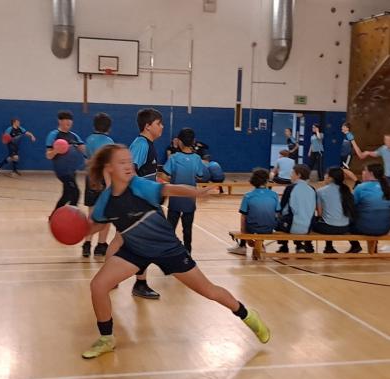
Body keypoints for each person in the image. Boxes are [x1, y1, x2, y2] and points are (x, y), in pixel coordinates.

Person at [81, 144, 270, 359]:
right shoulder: (106, 200)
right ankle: (107, 338)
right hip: (135, 251)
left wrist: (197, 192)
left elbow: (170, 188)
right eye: (121, 162)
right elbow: (97, 224)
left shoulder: (140, 186)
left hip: (168, 249)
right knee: (98, 285)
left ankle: (246, 314)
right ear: (109, 168)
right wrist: (77, 229)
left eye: (129, 161)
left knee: (209, 291)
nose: (128, 166)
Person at [126, 108, 164, 299]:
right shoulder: (141, 144)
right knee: (146, 243)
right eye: (159, 123)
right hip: (140, 203)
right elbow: (129, 172)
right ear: (148, 126)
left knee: (120, 242)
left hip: (145, 201)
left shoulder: (147, 144)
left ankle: (111, 278)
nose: (162, 127)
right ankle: (140, 283)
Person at [162, 128, 205, 253]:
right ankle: (187, 253)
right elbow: (200, 175)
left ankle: (168, 252)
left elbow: (165, 175)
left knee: (170, 228)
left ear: (179, 141)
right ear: (194, 141)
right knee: (187, 229)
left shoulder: (174, 158)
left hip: (175, 199)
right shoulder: (197, 158)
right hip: (190, 200)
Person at [82, 113, 114, 258]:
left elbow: (86, 162)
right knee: (106, 215)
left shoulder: (89, 140)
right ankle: (101, 246)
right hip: (104, 181)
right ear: (109, 127)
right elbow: (109, 165)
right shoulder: (109, 142)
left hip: (91, 179)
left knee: (91, 214)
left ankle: (87, 244)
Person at [227, 168, 280, 256]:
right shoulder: (274, 195)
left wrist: (243, 233)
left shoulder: (248, 196)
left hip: (253, 228)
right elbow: (277, 212)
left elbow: (243, 216)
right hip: (269, 228)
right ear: (267, 180)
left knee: (248, 216)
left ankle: (242, 245)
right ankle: (259, 244)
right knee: (263, 215)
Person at [46, 111, 85, 216]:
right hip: (62, 171)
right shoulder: (54, 135)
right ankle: (72, 217)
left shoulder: (74, 136)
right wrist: (56, 151)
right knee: (75, 193)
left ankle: (54, 216)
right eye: (66, 119)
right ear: (60, 121)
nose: (69, 122)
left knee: (67, 194)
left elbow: (84, 150)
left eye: (70, 120)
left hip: (72, 170)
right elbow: (48, 155)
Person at [348, 163, 390, 253]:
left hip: (365, 228)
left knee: (347, 220)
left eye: (364, 171)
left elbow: (352, 206)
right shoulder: (386, 187)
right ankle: (373, 247)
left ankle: (355, 246)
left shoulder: (360, 187)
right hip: (385, 228)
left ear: (370, 173)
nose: (362, 173)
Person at [312, 167, 355, 253]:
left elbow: (320, 213)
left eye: (326, 175)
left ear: (330, 178)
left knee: (315, 221)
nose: (324, 176)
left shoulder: (320, 191)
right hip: (345, 227)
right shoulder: (346, 190)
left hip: (329, 228)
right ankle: (329, 247)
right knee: (328, 218)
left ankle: (313, 247)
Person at [276, 164, 316, 253]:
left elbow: (282, 208)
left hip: (292, 227)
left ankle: (284, 246)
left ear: (299, 175)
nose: (290, 175)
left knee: (279, 219)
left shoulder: (290, 188)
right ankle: (300, 245)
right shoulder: (312, 189)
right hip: (309, 227)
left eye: (292, 173)